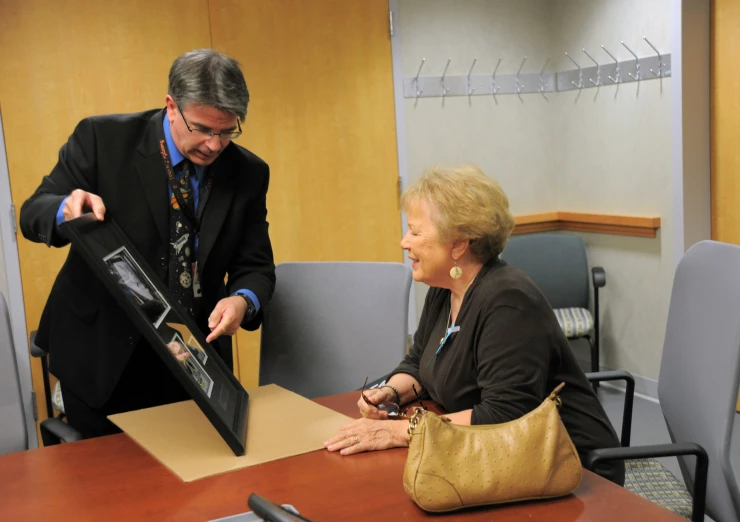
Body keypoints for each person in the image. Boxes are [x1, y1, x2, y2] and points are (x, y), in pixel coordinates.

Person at [20, 49, 275, 439]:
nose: (214, 145)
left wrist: (242, 300)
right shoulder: (102, 139)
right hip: (101, 353)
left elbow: (255, 266)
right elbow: (33, 212)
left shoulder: (248, 173)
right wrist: (65, 210)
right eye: (203, 128)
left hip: (192, 358)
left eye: (227, 132)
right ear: (171, 106)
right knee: (107, 487)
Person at [324, 164, 624, 485]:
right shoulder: (445, 290)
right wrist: (389, 393)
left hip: (573, 471)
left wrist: (398, 431)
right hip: (498, 457)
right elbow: (418, 363)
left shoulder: (508, 301)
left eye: (415, 231)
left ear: (458, 243)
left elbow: (504, 415)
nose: (404, 242)